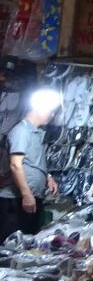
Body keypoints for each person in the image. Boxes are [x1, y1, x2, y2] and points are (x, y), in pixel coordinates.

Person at [0, 88, 61, 243]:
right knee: (12, 245)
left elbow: (32, 161)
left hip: (29, 198)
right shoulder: (22, 132)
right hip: (16, 201)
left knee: (28, 242)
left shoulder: (35, 133)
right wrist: (27, 195)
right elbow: (15, 165)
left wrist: (47, 177)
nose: (52, 116)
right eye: (50, 112)